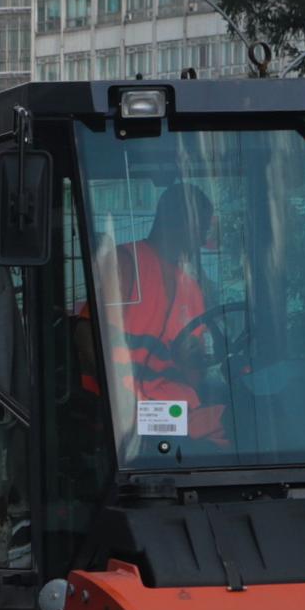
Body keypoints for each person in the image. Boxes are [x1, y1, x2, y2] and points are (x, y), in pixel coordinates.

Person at [109, 183, 226, 445]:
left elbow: (193, 367)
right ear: (180, 223)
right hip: (124, 411)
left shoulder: (192, 287)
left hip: (172, 407)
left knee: (232, 424)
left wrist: (194, 358)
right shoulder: (124, 262)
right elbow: (86, 338)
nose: (202, 239)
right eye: (201, 229)